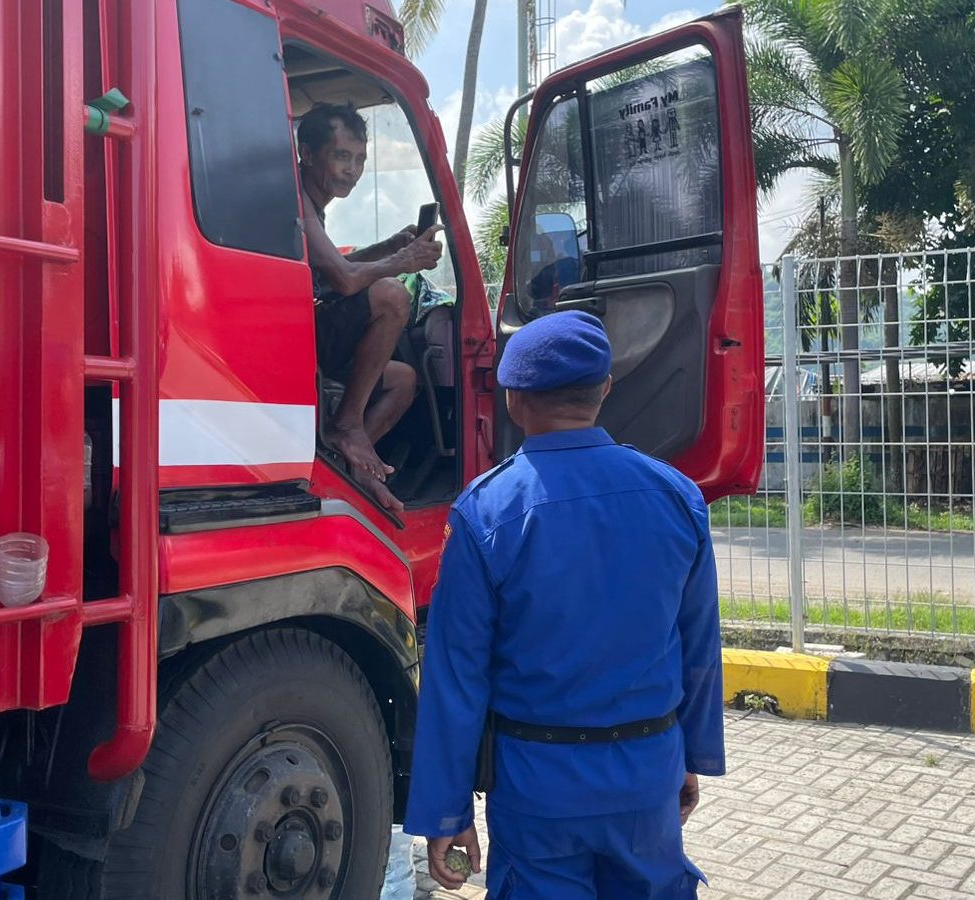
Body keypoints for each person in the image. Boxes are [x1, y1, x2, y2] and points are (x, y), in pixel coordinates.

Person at [403, 311, 724, 899]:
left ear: (513, 399)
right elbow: (699, 647)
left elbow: (457, 677)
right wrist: (691, 757)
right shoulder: (678, 497)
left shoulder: (486, 513)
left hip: (537, 786)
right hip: (647, 771)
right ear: (606, 388)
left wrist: (447, 814)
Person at [297, 103, 443, 512]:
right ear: (308, 154)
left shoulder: (314, 201)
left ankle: (344, 466)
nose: (353, 170)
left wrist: (389, 247)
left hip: (311, 327)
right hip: (294, 332)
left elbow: (329, 268)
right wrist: (403, 262)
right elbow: (343, 279)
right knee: (393, 294)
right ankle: (347, 426)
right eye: (342, 156)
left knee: (403, 380)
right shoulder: (296, 196)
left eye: (360, 159)